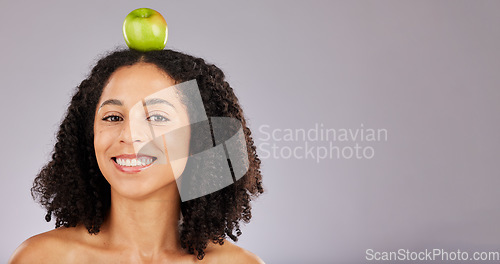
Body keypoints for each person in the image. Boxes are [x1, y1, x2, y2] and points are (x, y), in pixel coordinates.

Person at [8, 48, 264, 263]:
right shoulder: (41, 258)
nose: (129, 135)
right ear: (90, 135)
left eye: (157, 118)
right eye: (113, 117)